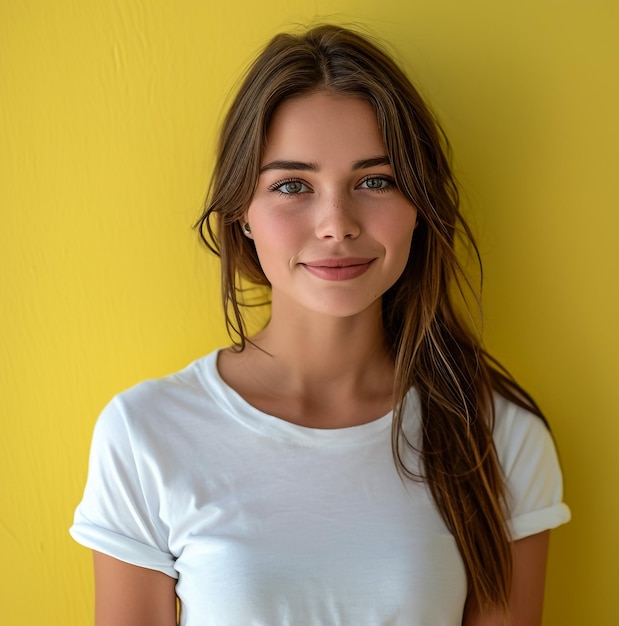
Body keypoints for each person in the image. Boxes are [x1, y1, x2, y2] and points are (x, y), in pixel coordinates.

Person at [70, 24, 570, 626]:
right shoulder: (146, 434)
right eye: (292, 186)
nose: (336, 223)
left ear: (420, 205)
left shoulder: (496, 436)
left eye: (375, 181)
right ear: (242, 215)